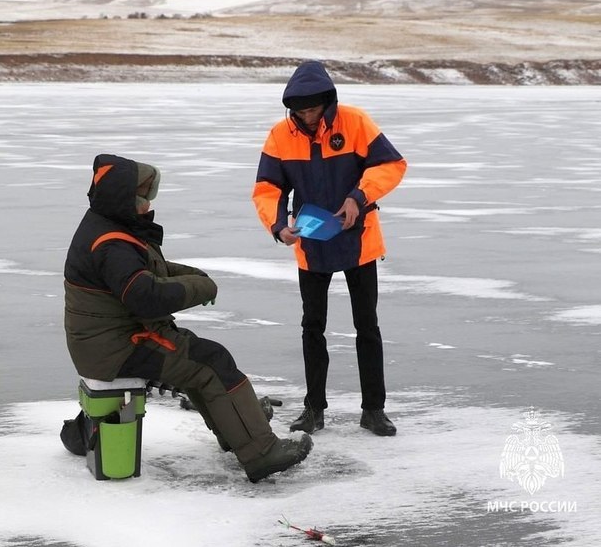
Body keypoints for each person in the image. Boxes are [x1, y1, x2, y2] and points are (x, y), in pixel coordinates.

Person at [64, 153, 312, 482]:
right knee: (211, 362)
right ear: (123, 199)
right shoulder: (111, 243)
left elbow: (147, 270)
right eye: (142, 198)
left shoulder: (106, 225)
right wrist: (198, 288)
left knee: (197, 357)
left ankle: (237, 426)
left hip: (103, 342)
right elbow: (145, 296)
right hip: (117, 347)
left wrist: (192, 277)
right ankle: (261, 453)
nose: (148, 205)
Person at [252, 60, 407, 437]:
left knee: (366, 325)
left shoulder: (355, 123)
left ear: (328, 102)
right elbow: (268, 188)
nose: (307, 117)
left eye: (313, 109)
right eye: (299, 111)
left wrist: (359, 196)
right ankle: (314, 409)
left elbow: (390, 164)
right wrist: (278, 225)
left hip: (358, 240)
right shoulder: (280, 135)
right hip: (312, 243)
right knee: (312, 327)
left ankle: (373, 410)